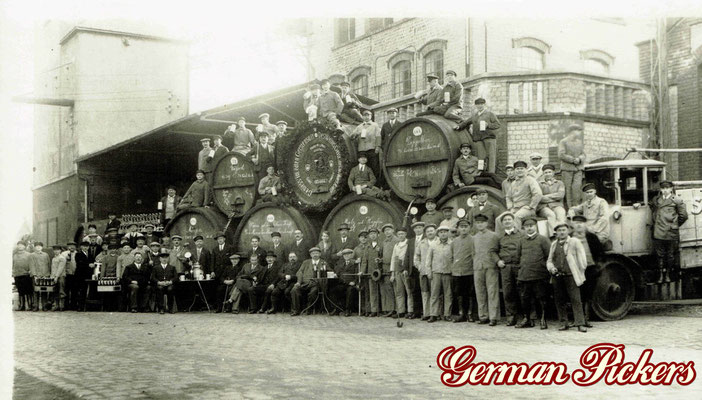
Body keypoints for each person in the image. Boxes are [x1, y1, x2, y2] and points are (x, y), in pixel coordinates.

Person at [547, 223, 588, 332]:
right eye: (559, 230)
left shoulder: (575, 242)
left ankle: (580, 324)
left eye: (564, 230)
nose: (562, 232)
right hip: (558, 276)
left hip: (571, 276)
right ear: (556, 232)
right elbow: (549, 260)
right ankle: (563, 323)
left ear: (567, 231)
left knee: (576, 299)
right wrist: (551, 268)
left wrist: (580, 272)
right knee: (559, 300)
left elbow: (582, 259)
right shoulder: (554, 244)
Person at [649, 180, 688, 284]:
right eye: (663, 188)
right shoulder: (656, 200)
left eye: (667, 188)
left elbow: (684, 216)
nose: (665, 191)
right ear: (660, 189)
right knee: (659, 255)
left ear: (671, 189)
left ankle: (668, 276)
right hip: (658, 231)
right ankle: (661, 276)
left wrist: (674, 225)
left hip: (671, 232)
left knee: (670, 255)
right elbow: (651, 207)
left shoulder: (677, 200)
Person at [516, 217, 552, 329]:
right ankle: (527, 319)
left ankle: (543, 319)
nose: (529, 228)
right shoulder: (521, 240)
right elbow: (518, 257)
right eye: (527, 226)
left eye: (531, 226)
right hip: (525, 275)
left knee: (542, 298)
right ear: (524, 228)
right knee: (525, 299)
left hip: (539, 274)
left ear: (535, 226)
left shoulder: (543, 239)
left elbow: (549, 256)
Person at [570, 214, 604, 327]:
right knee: (575, 294)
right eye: (576, 223)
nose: (579, 225)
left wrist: (597, 266)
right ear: (572, 225)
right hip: (574, 270)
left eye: (581, 223)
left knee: (588, 294)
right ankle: (576, 319)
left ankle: (586, 318)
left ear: (585, 225)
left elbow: (600, 253)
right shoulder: (569, 238)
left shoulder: (591, 238)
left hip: (589, 269)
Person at [455, 98, 501, 173]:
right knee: (480, 157)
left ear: (484, 105)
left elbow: (497, 125)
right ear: (475, 106)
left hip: (489, 138)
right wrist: (459, 126)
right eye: (478, 104)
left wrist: (488, 125)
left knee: (491, 156)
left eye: (481, 104)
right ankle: (481, 172)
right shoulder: (474, 116)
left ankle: (491, 173)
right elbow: (466, 122)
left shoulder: (489, 114)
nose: (480, 106)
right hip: (478, 139)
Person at [496, 213, 525, 326]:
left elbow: (526, 248)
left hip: (519, 266)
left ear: (514, 221)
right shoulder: (499, 237)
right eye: (505, 220)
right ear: (502, 223)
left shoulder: (521, 234)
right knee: (508, 292)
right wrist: (498, 261)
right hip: (506, 267)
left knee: (522, 291)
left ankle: (526, 316)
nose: (507, 222)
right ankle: (511, 316)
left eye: (509, 219)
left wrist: (523, 262)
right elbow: (493, 251)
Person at [472, 214, 500, 325]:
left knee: (492, 291)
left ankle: (493, 317)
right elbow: (473, 252)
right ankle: (483, 316)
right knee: (480, 292)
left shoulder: (494, 236)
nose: (480, 224)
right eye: (478, 223)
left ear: (486, 223)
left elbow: (497, 251)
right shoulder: (474, 237)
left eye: (482, 222)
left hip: (491, 267)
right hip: (478, 267)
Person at [426, 226, 453, 323]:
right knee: (434, 294)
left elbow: (454, 258)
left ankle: (447, 314)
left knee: (448, 294)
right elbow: (428, 259)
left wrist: (453, 271)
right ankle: (433, 314)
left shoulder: (452, 244)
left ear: (448, 233)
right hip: (436, 272)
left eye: (445, 232)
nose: (443, 234)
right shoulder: (433, 245)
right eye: (441, 232)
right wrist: (429, 271)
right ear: (438, 234)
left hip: (448, 272)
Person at [451, 219, 476, 322]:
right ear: (458, 228)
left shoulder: (473, 240)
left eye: (466, 226)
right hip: (457, 271)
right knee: (459, 293)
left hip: (469, 270)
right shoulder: (454, 241)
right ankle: (462, 313)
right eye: (461, 226)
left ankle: (470, 314)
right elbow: (452, 256)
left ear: (469, 228)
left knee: (470, 292)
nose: (464, 228)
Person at [504, 160, 542, 227]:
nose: (519, 170)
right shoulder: (513, 183)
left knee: (516, 217)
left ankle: (518, 236)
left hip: (527, 209)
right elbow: (508, 197)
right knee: (500, 219)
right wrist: (510, 208)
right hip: (515, 208)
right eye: (517, 169)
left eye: (522, 169)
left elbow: (538, 194)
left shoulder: (530, 180)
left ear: (526, 170)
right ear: (515, 171)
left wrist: (531, 206)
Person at [290, 247, 326, 316]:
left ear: (320, 254)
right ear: (310, 255)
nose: (315, 255)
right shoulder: (306, 262)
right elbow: (299, 272)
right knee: (294, 290)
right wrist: (299, 282)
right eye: (313, 253)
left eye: (316, 253)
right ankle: (295, 310)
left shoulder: (323, 262)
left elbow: (330, 271)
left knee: (313, 292)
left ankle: (308, 309)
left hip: (316, 284)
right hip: (304, 283)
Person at [559, 124, 586, 207]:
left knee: (577, 189)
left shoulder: (579, 142)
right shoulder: (563, 142)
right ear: (572, 131)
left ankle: (576, 208)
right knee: (568, 189)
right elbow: (561, 154)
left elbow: (583, 154)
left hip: (578, 169)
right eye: (577, 131)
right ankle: (569, 209)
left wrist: (580, 159)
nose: (579, 133)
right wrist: (573, 160)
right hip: (567, 169)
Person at [414, 224, 438, 320]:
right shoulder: (422, 243)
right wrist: (419, 266)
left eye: (431, 231)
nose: (430, 233)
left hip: (435, 271)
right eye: (428, 231)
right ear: (425, 233)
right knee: (425, 292)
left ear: (435, 231)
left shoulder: (438, 242)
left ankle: (435, 313)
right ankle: (426, 313)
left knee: (435, 293)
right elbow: (416, 257)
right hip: (423, 272)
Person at [389, 227, 414, 319]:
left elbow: (409, 258)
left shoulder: (409, 243)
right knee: (399, 292)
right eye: (399, 234)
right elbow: (393, 259)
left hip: (406, 271)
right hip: (397, 271)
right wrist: (392, 273)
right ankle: (401, 311)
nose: (400, 236)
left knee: (409, 291)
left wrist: (406, 269)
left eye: (402, 234)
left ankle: (410, 311)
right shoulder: (396, 245)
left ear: (405, 234)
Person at [348, 110, 382, 176]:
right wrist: (356, 134)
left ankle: (376, 185)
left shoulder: (375, 125)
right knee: (363, 168)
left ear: (371, 116)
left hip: (372, 149)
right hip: (362, 150)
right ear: (363, 117)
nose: (366, 117)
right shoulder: (359, 126)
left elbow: (378, 136)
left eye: (368, 115)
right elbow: (351, 137)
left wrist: (377, 146)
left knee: (374, 167)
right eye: (364, 115)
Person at [538, 164, 567, 236]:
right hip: (543, 207)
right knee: (551, 215)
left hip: (557, 206)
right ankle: (554, 235)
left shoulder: (559, 183)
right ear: (543, 174)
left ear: (553, 173)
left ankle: (563, 234)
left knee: (561, 213)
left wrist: (546, 197)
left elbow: (560, 195)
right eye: (546, 172)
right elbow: (539, 198)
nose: (548, 174)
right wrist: (554, 198)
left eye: (549, 172)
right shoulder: (539, 184)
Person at [331, 248, 361, 316]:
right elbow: (338, 274)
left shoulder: (355, 263)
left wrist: (354, 282)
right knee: (333, 290)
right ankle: (337, 308)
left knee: (350, 291)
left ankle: (348, 310)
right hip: (343, 283)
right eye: (345, 255)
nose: (346, 256)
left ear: (351, 255)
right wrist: (335, 275)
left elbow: (357, 275)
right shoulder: (341, 264)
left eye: (348, 254)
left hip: (352, 284)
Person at [361, 228, 382, 317]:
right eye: (371, 234)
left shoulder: (381, 245)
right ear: (369, 236)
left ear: (378, 235)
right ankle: (374, 310)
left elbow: (384, 257)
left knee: (382, 291)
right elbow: (364, 261)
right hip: (371, 273)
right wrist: (362, 271)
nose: (373, 235)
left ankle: (383, 309)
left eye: (375, 233)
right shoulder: (367, 247)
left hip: (381, 272)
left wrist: (380, 260)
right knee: (372, 291)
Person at [379, 224, 399, 317]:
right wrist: (381, 260)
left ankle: (396, 309)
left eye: (389, 230)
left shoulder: (396, 240)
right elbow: (384, 255)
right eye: (385, 230)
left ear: (393, 230)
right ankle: (390, 309)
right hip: (385, 267)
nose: (387, 232)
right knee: (388, 289)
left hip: (394, 267)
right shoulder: (384, 241)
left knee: (395, 289)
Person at [29, 242, 51, 311]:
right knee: (36, 291)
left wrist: (48, 274)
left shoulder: (46, 255)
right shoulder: (32, 255)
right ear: (35, 247)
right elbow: (31, 265)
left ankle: (44, 306)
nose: (38, 248)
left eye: (40, 246)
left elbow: (48, 265)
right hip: (36, 276)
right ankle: (36, 306)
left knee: (44, 290)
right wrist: (34, 275)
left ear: (42, 247)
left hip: (45, 275)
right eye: (37, 246)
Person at [13, 241, 33, 311]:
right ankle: (22, 305)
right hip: (17, 275)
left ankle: (30, 305)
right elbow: (13, 264)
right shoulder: (15, 255)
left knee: (28, 291)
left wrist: (31, 271)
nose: (20, 246)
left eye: (21, 245)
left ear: (24, 246)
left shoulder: (29, 255)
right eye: (19, 245)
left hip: (26, 275)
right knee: (20, 291)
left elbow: (31, 264)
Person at [74, 242, 93, 311]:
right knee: (80, 290)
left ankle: (85, 306)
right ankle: (79, 306)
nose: (85, 248)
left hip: (87, 275)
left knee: (85, 290)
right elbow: (80, 263)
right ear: (81, 247)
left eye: (87, 246)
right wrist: (88, 265)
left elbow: (92, 263)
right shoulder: (78, 254)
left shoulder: (90, 255)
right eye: (84, 246)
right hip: (80, 275)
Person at [50, 245, 67, 311]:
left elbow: (60, 268)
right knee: (55, 291)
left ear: (60, 250)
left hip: (61, 276)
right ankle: (56, 305)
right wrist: (52, 276)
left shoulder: (62, 258)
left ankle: (61, 306)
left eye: (57, 250)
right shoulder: (54, 258)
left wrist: (56, 277)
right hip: (54, 277)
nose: (56, 251)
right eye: (55, 250)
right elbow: (53, 268)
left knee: (61, 290)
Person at [62, 242, 78, 310]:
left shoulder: (77, 254)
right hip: (67, 274)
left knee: (74, 290)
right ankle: (66, 305)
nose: (72, 247)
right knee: (66, 290)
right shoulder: (64, 254)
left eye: (73, 246)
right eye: (70, 246)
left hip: (75, 275)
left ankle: (73, 305)